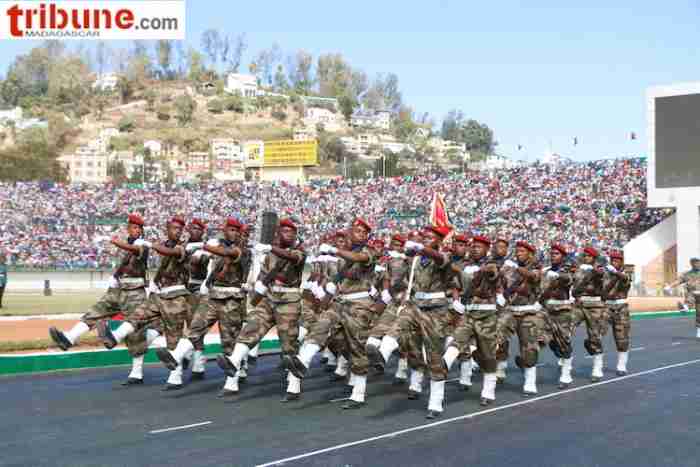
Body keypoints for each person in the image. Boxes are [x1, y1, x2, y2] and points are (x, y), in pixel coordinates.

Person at [48, 214, 160, 385]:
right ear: (128, 229)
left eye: (139, 228)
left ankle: (136, 373)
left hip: (135, 291)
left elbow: (135, 251)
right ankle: (69, 338)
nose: (137, 231)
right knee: (96, 311)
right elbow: (124, 265)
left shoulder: (141, 245)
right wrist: (114, 278)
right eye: (134, 228)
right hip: (119, 289)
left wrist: (115, 242)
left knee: (135, 334)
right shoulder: (129, 246)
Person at [284, 218, 376, 409]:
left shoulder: (369, 251)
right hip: (340, 302)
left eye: (362, 232)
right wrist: (328, 294)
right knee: (320, 325)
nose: (358, 234)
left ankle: (358, 394)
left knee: (356, 348)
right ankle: (302, 361)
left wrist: (335, 251)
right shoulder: (343, 257)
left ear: (366, 236)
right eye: (355, 231)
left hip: (360, 305)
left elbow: (357, 259)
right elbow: (340, 277)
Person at [152, 217, 249, 396]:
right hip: (213, 296)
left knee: (229, 341)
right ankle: (175, 357)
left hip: (231, 299)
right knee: (196, 327)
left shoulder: (240, 249)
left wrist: (202, 246)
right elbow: (200, 262)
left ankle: (232, 381)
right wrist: (200, 255)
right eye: (231, 229)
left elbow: (226, 254)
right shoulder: (218, 245)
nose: (233, 233)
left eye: (237, 231)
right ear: (224, 229)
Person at [372, 225, 457, 419]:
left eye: (429, 238)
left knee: (434, 357)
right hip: (416, 305)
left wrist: (421, 248)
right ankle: (382, 354)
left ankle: (435, 402)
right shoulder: (416, 259)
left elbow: (439, 259)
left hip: (436, 311)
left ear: (438, 241)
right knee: (400, 322)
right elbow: (401, 277)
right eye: (424, 237)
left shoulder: (444, 256)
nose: (425, 239)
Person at [217, 218, 306, 401]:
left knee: (289, 344)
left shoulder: (299, 251)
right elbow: (265, 276)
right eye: (285, 231)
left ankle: (294, 385)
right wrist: (257, 287)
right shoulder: (269, 254)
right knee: (250, 328)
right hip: (269, 298)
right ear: (278, 234)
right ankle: (233, 367)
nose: (289, 235)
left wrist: (270, 248)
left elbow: (292, 258)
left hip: (288, 301)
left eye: (292, 232)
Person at [99, 216, 192, 390]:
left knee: (173, 340)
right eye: (173, 228)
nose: (177, 231)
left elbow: (168, 253)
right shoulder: (166, 244)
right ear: (167, 229)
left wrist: (150, 244)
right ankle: (115, 337)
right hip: (160, 294)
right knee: (137, 316)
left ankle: (176, 376)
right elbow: (163, 267)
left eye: (180, 229)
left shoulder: (182, 247)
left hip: (176, 297)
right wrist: (154, 284)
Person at [443, 235, 503, 406]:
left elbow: (492, 272)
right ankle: (445, 363)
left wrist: (463, 271)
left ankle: (488, 390)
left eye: (479, 247)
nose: (475, 249)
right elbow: (456, 285)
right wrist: (456, 301)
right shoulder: (466, 265)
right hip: (468, 313)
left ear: (486, 249)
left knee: (487, 354)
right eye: (473, 246)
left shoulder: (492, 264)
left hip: (486, 316)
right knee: (458, 338)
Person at [498, 241, 543, 396]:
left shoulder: (536, 267)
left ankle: (530, 382)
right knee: (495, 336)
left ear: (530, 254)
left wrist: (515, 267)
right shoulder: (510, 267)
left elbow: (532, 277)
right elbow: (500, 280)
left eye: (522, 251)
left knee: (528, 348)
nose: (518, 254)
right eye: (517, 251)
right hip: (510, 310)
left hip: (528, 312)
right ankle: (499, 368)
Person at [539, 243, 576, 388]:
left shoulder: (566, 273)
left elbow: (565, 281)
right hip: (546, 311)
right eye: (552, 253)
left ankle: (566, 375)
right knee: (538, 340)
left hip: (562, 312)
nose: (553, 256)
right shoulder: (546, 271)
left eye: (556, 254)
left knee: (563, 344)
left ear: (563, 257)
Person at [572, 247, 609, 382]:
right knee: (566, 329)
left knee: (594, 338)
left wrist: (597, 274)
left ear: (593, 257)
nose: (586, 257)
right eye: (584, 255)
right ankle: (565, 364)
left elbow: (604, 284)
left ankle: (597, 368)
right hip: (580, 304)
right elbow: (574, 283)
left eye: (588, 256)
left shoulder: (600, 269)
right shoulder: (579, 268)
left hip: (594, 306)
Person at [603, 250, 633, 375]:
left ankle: (621, 365)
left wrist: (615, 272)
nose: (614, 262)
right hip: (607, 306)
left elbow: (625, 279)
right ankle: (597, 366)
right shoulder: (605, 273)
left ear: (621, 262)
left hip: (621, 307)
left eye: (617, 261)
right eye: (613, 260)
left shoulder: (626, 272)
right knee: (596, 333)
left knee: (622, 339)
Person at [665, 257, 700, 338]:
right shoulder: (687, 274)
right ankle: (686, 306)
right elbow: (679, 281)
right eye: (694, 263)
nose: (696, 264)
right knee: (691, 294)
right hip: (693, 294)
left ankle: (686, 307)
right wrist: (669, 287)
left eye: (698, 262)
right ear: (691, 264)